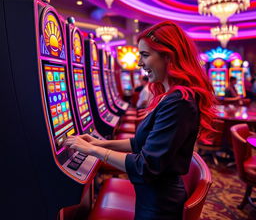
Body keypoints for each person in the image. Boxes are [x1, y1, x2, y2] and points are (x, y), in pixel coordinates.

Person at [64, 21, 216, 220]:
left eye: (145, 55)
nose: (139, 63)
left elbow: (146, 166)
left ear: (168, 56)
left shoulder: (180, 102)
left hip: (159, 206)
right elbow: (138, 143)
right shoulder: (170, 96)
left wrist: (93, 151)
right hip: (153, 195)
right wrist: (98, 142)